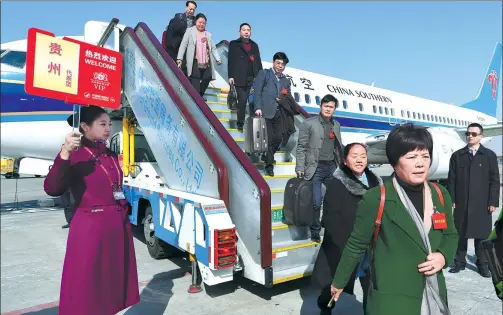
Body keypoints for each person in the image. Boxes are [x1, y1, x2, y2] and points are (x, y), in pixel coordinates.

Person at [330, 123, 459, 315]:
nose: (420, 163)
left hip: (432, 292)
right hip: (392, 296)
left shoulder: (441, 195)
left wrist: (443, 256)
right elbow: (356, 244)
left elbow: (451, 234)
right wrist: (339, 282)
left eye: (425, 156)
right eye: (411, 157)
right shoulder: (376, 198)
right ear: (394, 162)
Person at [44, 106, 140, 315]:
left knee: (112, 285)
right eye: (102, 124)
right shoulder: (76, 156)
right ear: (85, 127)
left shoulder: (111, 155)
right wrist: (65, 152)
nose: (108, 128)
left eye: (109, 123)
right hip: (90, 229)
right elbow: (52, 188)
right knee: (87, 286)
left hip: (116, 227)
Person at [312, 143, 381, 315]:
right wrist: (346, 242)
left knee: (371, 284)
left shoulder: (376, 182)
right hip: (343, 243)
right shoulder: (337, 183)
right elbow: (328, 218)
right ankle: (325, 309)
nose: (359, 160)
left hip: (370, 244)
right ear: (345, 160)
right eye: (354, 156)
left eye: (363, 156)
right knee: (332, 286)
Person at [447, 122, 500, 277]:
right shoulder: (457, 156)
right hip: (462, 201)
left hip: (482, 202)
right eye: (468, 134)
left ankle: (483, 264)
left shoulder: (489, 155)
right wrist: (452, 199)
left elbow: (495, 181)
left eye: (474, 134)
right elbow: (451, 180)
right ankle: (459, 262)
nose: (470, 136)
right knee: (460, 233)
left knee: (482, 234)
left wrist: (493, 201)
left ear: (481, 137)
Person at [295, 94, 344, 242]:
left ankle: (330, 226)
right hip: (314, 168)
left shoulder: (336, 125)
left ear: (334, 109)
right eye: (326, 106)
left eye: (331, 107)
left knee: (335, 200)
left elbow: (338, 147)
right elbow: (301, 146)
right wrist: (299, 166)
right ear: (321, 106)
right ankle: (315, 230)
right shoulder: (308, 123)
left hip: (331, 167)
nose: (328, 109)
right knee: (316, 202)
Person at [253, 52, 291, 177]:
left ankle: (266, 156)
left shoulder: (286, 81)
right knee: (269, 139)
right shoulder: (265, 74)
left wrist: (283, 100)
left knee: (279, 138)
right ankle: (269, 165)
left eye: (283, 64)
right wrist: (257, 107)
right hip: (266, 111)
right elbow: (257, 91)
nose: (280, 66)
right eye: (278, 63)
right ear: (273, 62)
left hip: (279, 113)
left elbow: (287, 96)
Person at [228, 22, 263, 132]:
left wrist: (260, 77)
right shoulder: (234, 44)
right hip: (239, 78)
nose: (246, 32)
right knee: (242, 101)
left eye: (248, 30)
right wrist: (230, 76)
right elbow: (230, 61)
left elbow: (258, 62)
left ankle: (253, 126)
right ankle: (240, 122)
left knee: (253, 102)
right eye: (244, 30)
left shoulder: (254, 45)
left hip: (252, 78)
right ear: (240, 32)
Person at [177, 13, 222, 97]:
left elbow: (213, 48)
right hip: (194, 61)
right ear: (195, 22)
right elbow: (183, 44)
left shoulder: (208, 34)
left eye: (203, 23)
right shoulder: (190, 31)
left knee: (208, 77)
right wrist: (179, 58)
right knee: (195, 80)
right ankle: (197, 97)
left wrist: (218, 58)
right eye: (200, 22)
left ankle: (200, 95)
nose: (201, 24)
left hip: (206, 61)